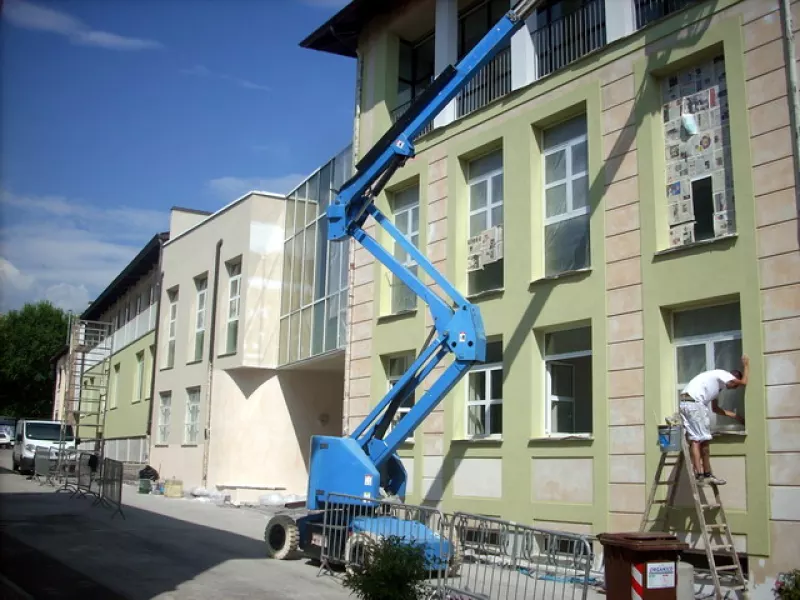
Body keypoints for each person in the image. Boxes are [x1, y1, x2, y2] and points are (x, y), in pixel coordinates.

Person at [679, 355, 749, 485]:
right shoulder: (724, 375)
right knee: (697, 440)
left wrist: (736, 417)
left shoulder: (716, 386)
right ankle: (701, 475)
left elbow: (715, 409)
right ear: (733, 378)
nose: (734, 387)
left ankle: (706, 473)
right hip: (695, 403)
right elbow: (744, 382)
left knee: (701, 439)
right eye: (734, 385)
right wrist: (746, 365)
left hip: (685, 402)